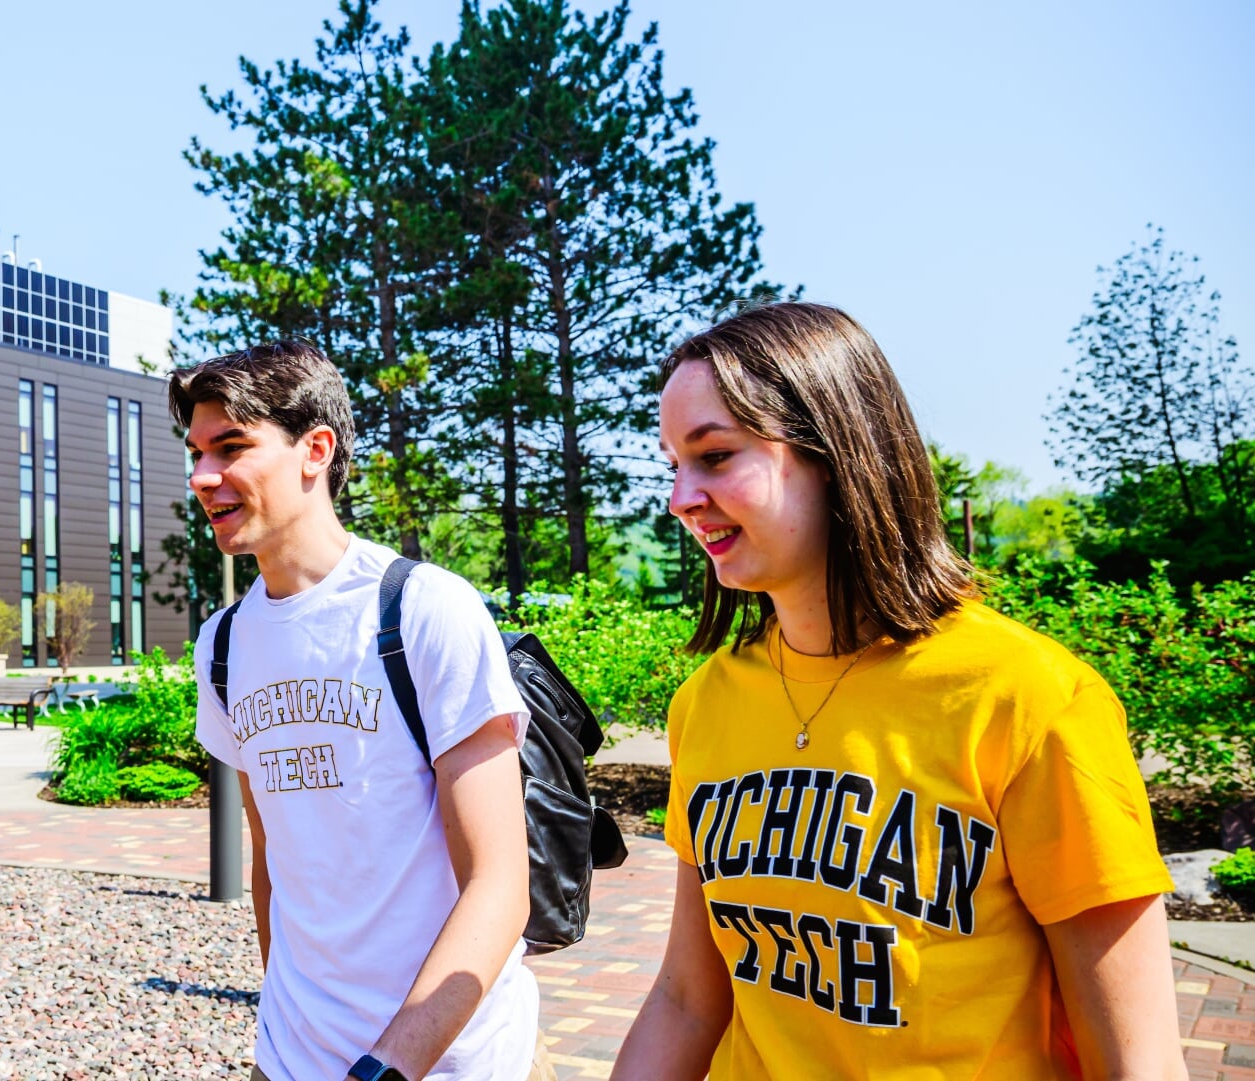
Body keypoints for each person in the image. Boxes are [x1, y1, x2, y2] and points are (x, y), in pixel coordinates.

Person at [611, 302, 1184, 1080]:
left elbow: (1137, 1060)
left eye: (714, 456)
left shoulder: (1031, 699)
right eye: (672, 464)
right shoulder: (705, 703)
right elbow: (686, 996)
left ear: (835, 452)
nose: (680, 498)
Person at [176, 340, 549, 1081]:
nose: (202, 477)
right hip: (293, 1060)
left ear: (316, 449)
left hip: (451, 1063)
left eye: (231, 447)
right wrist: (287, 1038)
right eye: (195, 452)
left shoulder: (422, 607)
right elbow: (272, 864)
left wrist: (385, 1066)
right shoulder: (222, 645)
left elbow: (500, 884)